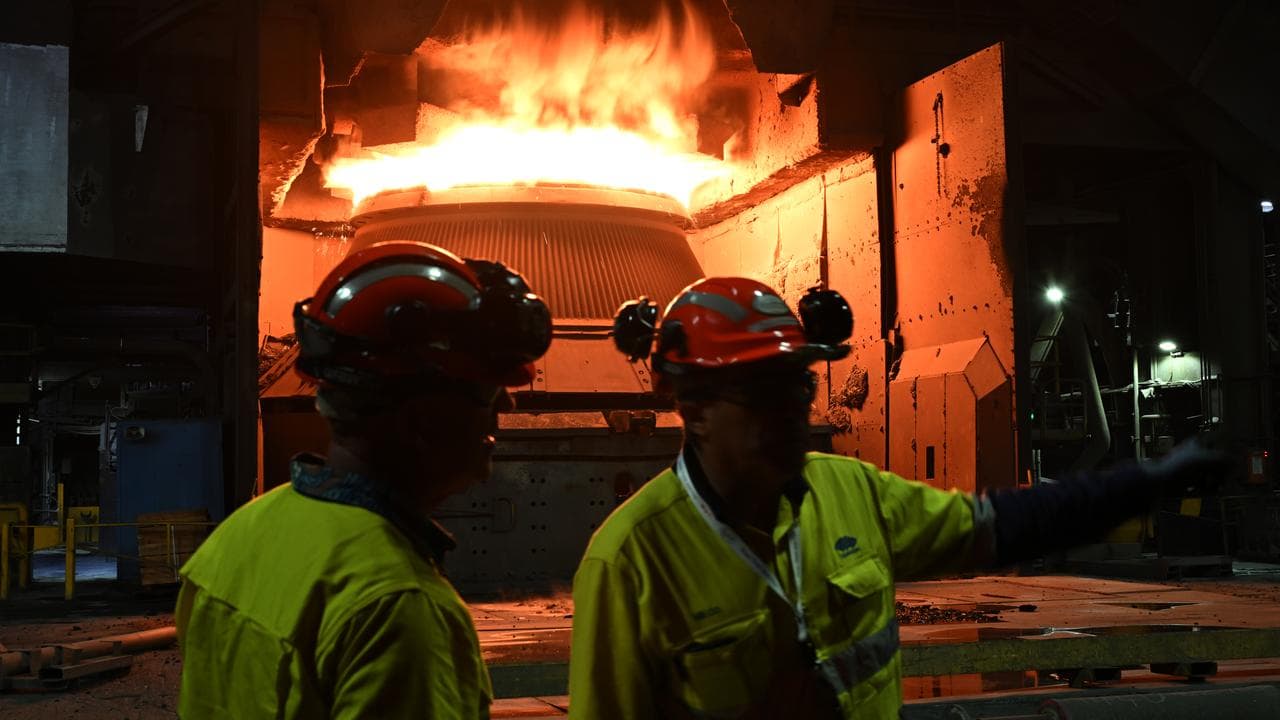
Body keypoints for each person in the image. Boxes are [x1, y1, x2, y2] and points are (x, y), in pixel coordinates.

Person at [568, 277, 1230, 719]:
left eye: (801, 388)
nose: (796, 412)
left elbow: (1004, 525)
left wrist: (1145, 482)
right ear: (696, 409)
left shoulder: (850, 492)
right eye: (765, 394)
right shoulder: (630, 561)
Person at [176, 241, 552, 719]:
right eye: (487, 392)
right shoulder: (399, 608)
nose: (507, 408)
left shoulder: (237, 540)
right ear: (422, 419)